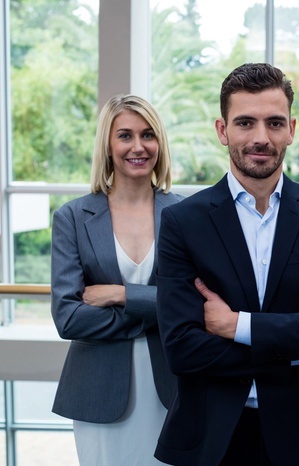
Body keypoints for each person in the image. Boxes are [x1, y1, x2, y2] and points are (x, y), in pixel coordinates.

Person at [154, 62, 299, 466]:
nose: (260, 138)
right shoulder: (183, 222)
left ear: (291, 128)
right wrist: (298, 340)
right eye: (245, 123)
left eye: (273, 123)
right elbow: (182, 349)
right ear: (223, 131)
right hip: (216, 436)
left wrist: (238, 326)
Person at [50, 94, 179, 465]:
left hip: (173, 387)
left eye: (148, 135)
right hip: (97, 390)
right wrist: (157, 313)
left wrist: (121, 294)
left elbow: (195, 305)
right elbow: (68, 317)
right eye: (125, 135)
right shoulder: (72, 217)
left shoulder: (187, 214)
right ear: (108, 144)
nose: (138, 146)